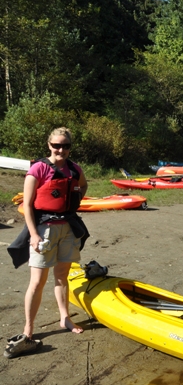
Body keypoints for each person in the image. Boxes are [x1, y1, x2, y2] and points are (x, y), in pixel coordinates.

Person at [4, 127, 89, 359]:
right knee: (37, 282)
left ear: (70, 147)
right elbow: (28, 205)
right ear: (49, 145)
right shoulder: (38, 169)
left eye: (65, 146)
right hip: (44, 230)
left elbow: (84, 184)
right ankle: (28, 329)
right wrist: (33, 234)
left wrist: (75, 200)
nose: (60, 150)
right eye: (56, 145)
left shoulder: (74, 169)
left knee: (62, 276)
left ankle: (65, 318)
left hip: (67, 229)